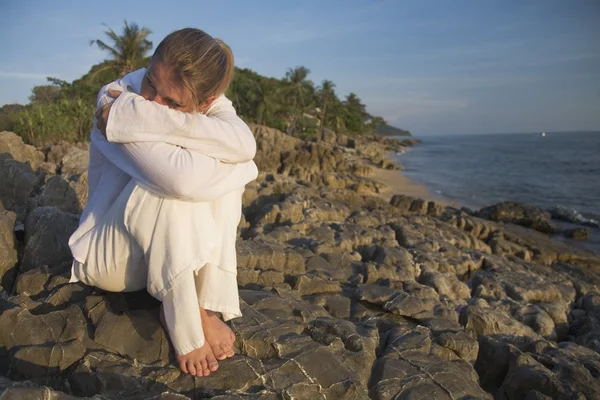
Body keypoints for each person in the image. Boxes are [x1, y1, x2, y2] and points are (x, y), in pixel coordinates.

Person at [68, 28, 258, 377]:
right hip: (109, 259)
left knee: (213, 179)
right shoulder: (114, 99)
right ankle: (187, 319)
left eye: (173, 104)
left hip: (157, 252)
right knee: (172, 187)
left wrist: (151, 121)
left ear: (207, 103)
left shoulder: (130, 113)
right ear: (149, 65)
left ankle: (201, 304)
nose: (152, 103)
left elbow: (246, 145)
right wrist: (240, 168)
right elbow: (181, 180)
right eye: (151, 84)